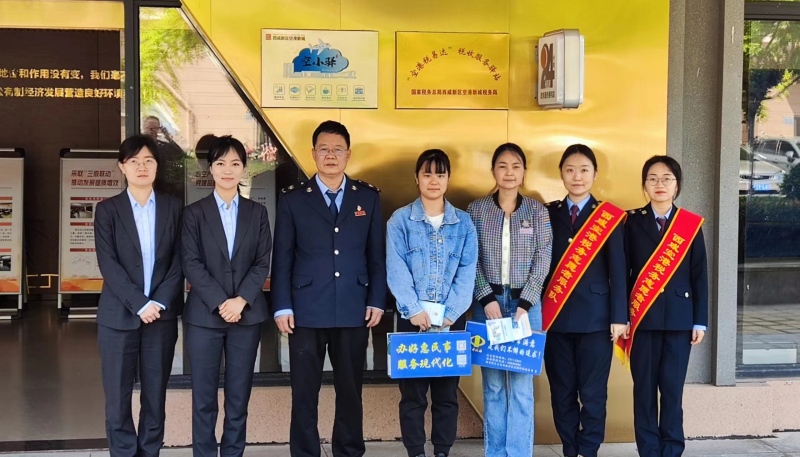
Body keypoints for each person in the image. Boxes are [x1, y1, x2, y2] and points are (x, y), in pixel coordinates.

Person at [271, 120, 386, 457]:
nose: (331, 155)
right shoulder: (293, 199)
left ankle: (348, 450)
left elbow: (376, 256)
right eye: (324, 149)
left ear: (348, 154)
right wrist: (282, 305)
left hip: (353, 306)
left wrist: (377, 300)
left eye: (338, 149)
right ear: (313, 154)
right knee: (304, 392)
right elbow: (283, 258)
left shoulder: (368, 197)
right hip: (305, 310)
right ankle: (305, 452)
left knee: (350, 391)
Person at [181, 135, 272, 457]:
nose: (228, 170)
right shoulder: (193, 214)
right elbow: (190, 262)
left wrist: (241, 300)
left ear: (244, 168)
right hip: (204, 318)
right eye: (221, 163)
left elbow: (262, 261)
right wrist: (222, 302)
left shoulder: (257, 213)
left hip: (246, 317)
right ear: (211, 168)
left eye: (235, 163)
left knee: (238, 398)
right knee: (203, 399)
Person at [94, 134, 184, 457]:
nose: (141, 167)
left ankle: (149, 452)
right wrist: (140, 303)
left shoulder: (174, 207)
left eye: (148, 160)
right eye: (133, 161)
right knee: (117, 400)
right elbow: (109, 264)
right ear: (122, 167)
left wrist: (157, 302)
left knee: (155, 397)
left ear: (157, 166)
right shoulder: (107, 211)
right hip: (118, 318)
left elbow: (180, 260)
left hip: (161, 317)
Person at [387, 149, 478, 457]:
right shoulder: (400, 220)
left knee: (446, 394)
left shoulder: (464, 223)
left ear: (448, 178)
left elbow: (467, 271)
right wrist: (414, 309)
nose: (434, 181)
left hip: (451, 321)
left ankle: (441, 450)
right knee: (412, 395)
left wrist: (450, 313)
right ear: (417, 178)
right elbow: (396, 269)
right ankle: (416, 451)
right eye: (427, 174)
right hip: (411, 320)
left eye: (440, 174)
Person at [541, 144, 628, 457]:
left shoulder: (609, 217)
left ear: (595, 174)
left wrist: (619, 316)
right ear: (561, 174)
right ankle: (570, 448)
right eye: (570, 170)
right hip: (555, 320)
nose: (576, 177)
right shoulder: (548, 213)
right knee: (561, 392)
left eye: (583, 170)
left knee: (592, 394)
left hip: (596, 321)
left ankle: (588, 449)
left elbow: (619, 271)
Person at [467, 143, 552, 457]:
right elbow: (470, 258)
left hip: (524, 308)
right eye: (502, 166)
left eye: (516, 166)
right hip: (487, 306)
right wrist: (485, 296)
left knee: (520, 386)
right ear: (493, 171)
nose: (509, 172)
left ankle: (517, 453)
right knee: (492, 386)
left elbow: (543, 259)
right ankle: (495, 452)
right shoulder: (476, 210)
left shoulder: (537, 212)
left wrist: (526, 303)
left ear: (524, 172)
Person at [621, 155, 707, 457]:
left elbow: (699, 275)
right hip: (642, 320)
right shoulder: (630, 222)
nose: (660, 184)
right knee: (644, 392)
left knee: (672, 391)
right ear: (644, 185)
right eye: (653, 178)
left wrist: (700, 321)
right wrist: (622, 317)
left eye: (667, 178)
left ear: (677, 185)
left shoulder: (690, 225)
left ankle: (671, 449)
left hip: (680, 322)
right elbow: (623, 273)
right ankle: (648, 450)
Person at [142, 115, 187, 204]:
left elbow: (180, 154)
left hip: (161, 184)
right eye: (149, 128)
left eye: (155, 128)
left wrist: (168, 138)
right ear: (144, 128)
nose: (152, 131)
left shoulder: (163, 146)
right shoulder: (138, 146)